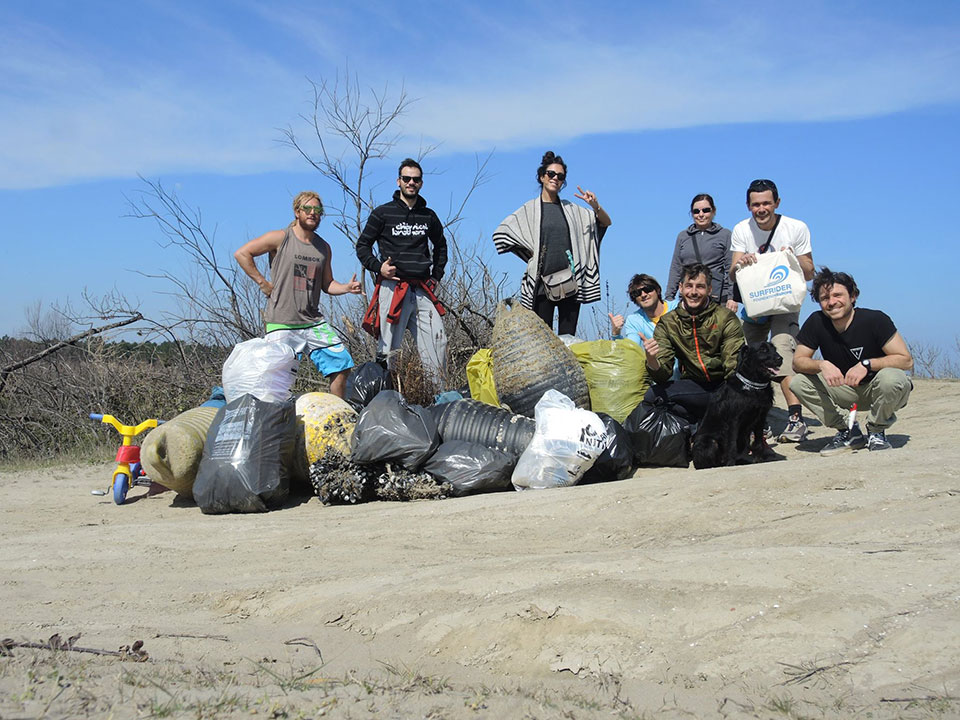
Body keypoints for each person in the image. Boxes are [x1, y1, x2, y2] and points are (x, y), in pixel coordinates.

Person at [234, 191, 362, 399]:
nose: (312, 213)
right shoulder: (280, 238)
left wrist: (346, 288)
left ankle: (339, 412)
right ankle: (276, 417)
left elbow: (327, 284)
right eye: (307, 208)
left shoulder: (324, 247)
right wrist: (263, 283)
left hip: (313, 322)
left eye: (317, 209)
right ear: (297, 212)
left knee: (341, 366)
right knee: (275, 380)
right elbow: (242, 253)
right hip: (282, 322)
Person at [792, 267, 913, 456]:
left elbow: (906, 361)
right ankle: (849, 430)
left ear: (853, 296)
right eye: (825, 298)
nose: (832, 302)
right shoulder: (816, 322)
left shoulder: (875, 319)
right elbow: (798, 362)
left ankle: (876, 431)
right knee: (798, 382)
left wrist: (867, 364)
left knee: (893, 379)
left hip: (877, 388)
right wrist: (821, 364)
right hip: (843, 389)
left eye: (837, 295)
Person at [730, 178, 815, 443]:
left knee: (783, 353)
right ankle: (757, 421)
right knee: (748, 359)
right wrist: (741, 264)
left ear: (777, 203)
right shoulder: (741, 229)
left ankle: (796, 419)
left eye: (766, 203)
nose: (761, 209)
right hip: (755, 304)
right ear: (748, 206)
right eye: (756, 204)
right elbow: (732, 273)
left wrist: (793, 257)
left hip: (785, 304)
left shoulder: (796, 227)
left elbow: (810, 272)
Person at [493, 151, 612, 336]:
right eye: (551, 174)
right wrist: (530, 256)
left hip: (571, 284)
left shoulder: (573, 210)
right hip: (541, 286)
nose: (555, 178)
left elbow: (605, 223)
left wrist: (595, 206)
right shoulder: (530, 210)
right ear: (542, 177)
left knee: (569, 339)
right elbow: (501, 234)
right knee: (542, 339)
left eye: (560, 176)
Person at [356, 158, 449, 384]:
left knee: (438, 341)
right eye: (406, 178)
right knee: (388, 349)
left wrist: (436, 276)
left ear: (421, 183)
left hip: (422, 289)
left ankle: (438, 397)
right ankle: (385, 396)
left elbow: (441, 246)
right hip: (393, 288)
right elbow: (362, 246)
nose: (411, 183)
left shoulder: (428, 216)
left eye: (416, 179)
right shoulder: (382, 213)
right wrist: (379, 267)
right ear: (398, 181)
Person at [638, 263, 745, 423]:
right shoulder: (668, 323)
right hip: (693, 387)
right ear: (681, 288)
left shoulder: (725, 318)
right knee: (653, 396)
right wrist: (652, 360)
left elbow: (733, 364)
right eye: (689, 286)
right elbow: (662, 376)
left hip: (723, 386)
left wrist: (736, 399)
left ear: (709, 289)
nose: (693, 292)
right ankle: (696, 425)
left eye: (700, 287)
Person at [666, 194, 736, 310]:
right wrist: (669, 298)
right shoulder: (683, 236)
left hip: (716, 298)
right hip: (689, 298)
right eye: (696, 211)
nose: (701, 214)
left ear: (713, 211)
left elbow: (730, 267)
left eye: (706, 210)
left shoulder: (725, 235)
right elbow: (676, 267)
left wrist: (732, 297)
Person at [608, 273, 678, 346]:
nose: (643, 295)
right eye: (637, 293)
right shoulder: (634, 320)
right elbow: (631, 348)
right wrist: (616, 334)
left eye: (647, 289)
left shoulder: (677, 308)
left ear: (657, 290)